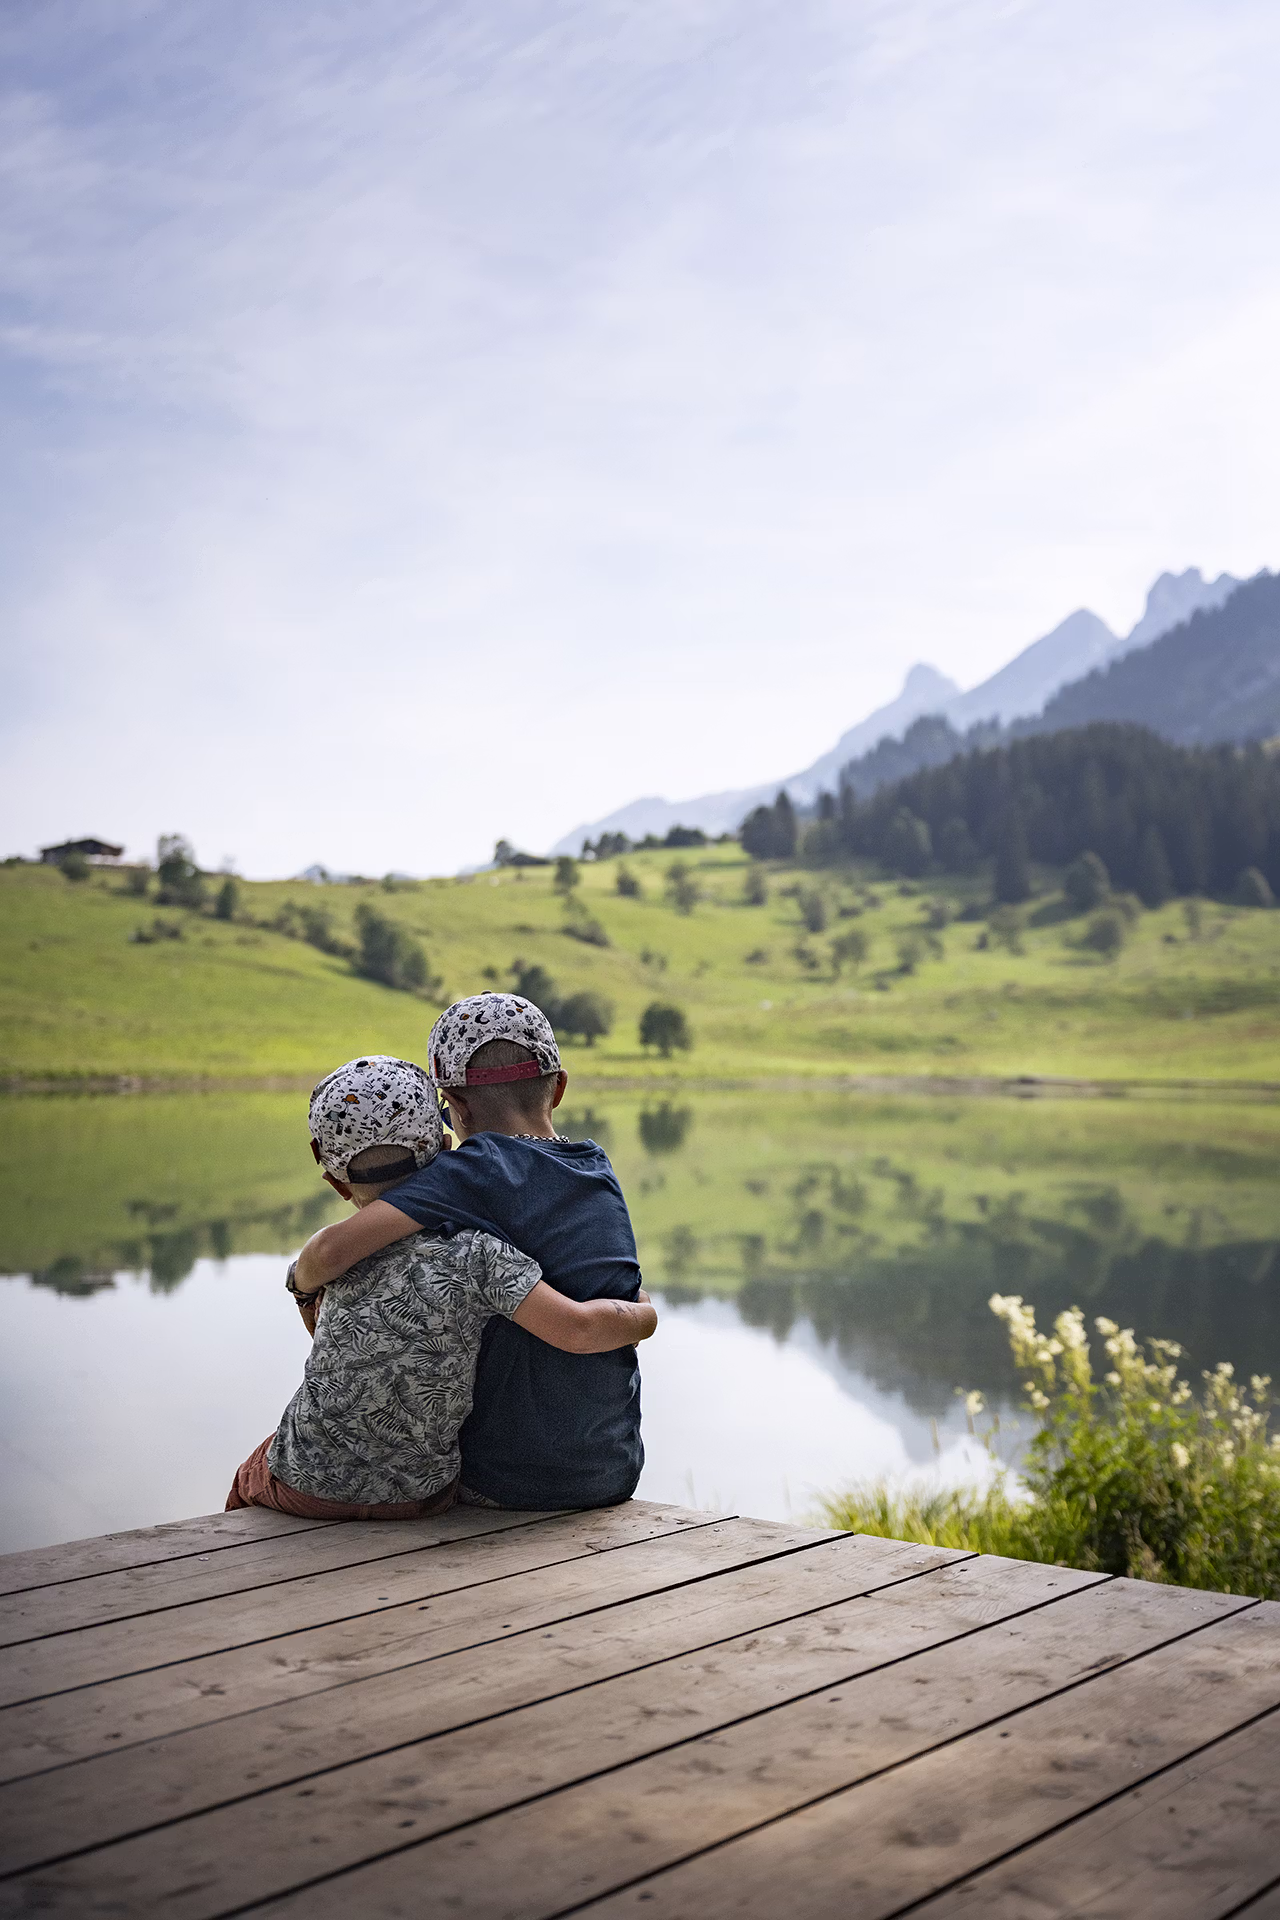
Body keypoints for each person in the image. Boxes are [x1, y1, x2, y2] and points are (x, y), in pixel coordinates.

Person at [227, 1054, 656, 1520]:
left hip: (310, 1486)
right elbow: (576, 1328)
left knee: (251, 1474)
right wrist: (645, 1313)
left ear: (335, 1182)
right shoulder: (481, 1252)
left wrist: (300, 1286)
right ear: (446, 1147)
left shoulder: (336, 1260)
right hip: (424, 1494)